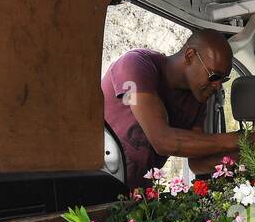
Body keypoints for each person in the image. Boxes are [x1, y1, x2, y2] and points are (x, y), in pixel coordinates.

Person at [102, 29, 242, 190]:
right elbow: (162, 140)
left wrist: (248, 153)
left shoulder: (196, 100)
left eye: (223, 79)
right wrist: (237, 139)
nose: (217, 86)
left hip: (138, 197)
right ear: (190, 56)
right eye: (214, 76)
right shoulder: (136, 65)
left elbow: (197, 162)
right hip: (95, 186)